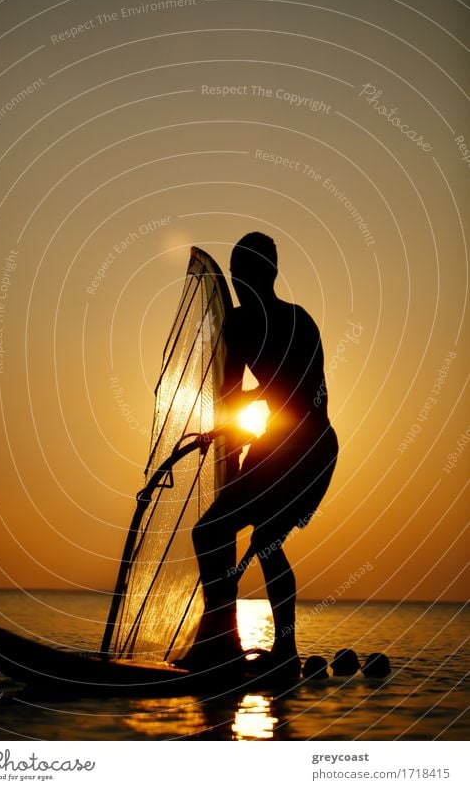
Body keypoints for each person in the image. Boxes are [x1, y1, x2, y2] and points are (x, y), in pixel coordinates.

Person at [181, 232, 338, 676]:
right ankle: (250, 647)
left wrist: (239, 433)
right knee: (242, 539)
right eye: (235, 273)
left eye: (242, 271)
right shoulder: (270, 321)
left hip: (302, 450)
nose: (238, 280)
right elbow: (255, 393)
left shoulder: (270, 322)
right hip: (295, 447)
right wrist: (230, 437)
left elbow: (298, 399)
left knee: (233, 536)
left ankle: (247, 647)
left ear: (264, 274)